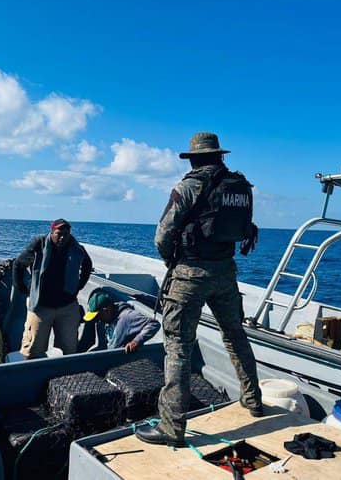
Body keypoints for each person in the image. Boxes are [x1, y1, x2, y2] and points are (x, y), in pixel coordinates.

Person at [136, 132, 262, 448]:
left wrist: (174, 262)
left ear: (194, 159)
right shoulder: (241, 187)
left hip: (190, 275)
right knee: (235, 335)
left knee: (178, 346)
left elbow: (162, 236)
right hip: (226, 272)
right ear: (220, 156)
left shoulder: (189, 186)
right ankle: (253, 399)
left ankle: (171, 427)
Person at [12, 218, 93, 359]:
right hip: (41, 305)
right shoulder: (39, 244)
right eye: (59, 234)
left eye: (66, 234)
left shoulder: (76, 248)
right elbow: (19, 264)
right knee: (32, 349)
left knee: (70, 348)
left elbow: (87, 265)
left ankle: (67, 371)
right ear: (52, 232)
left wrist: (78, 286)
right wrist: (23, 288)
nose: (62, 237)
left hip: (67, 306)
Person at [80, 289, 161, 352]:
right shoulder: (102, 323)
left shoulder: (127, 316)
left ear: (106, 310)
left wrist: (136, 341)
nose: (97, 320)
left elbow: (153, 324)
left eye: (97, 317)